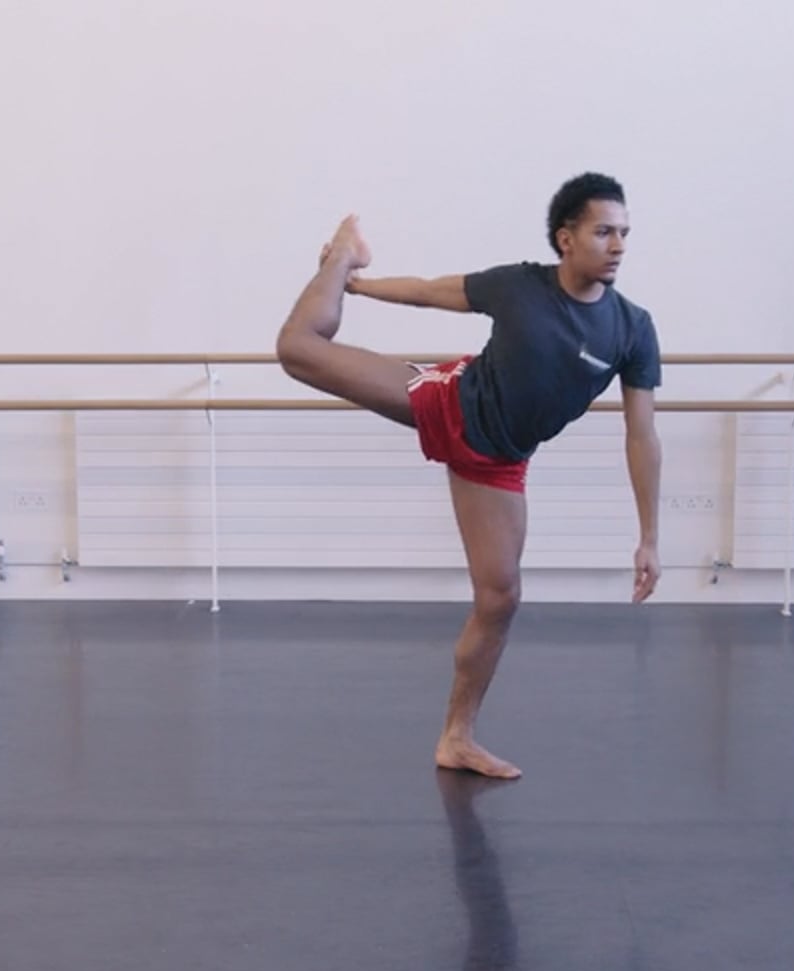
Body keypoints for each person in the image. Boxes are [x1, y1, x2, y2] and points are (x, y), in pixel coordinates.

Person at [274, 172, 663, 780]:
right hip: (450, 402)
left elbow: (642, 436)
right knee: (298, 348)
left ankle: (457, 737)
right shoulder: (521, 286)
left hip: (498, 459)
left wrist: (649, 537)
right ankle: (343, 252)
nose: (617, 245)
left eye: (624, 234)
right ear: (566, 238)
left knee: (500, 597)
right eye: (603, 232)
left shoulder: (632, 329)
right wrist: (359, 283)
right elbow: (432, 292)